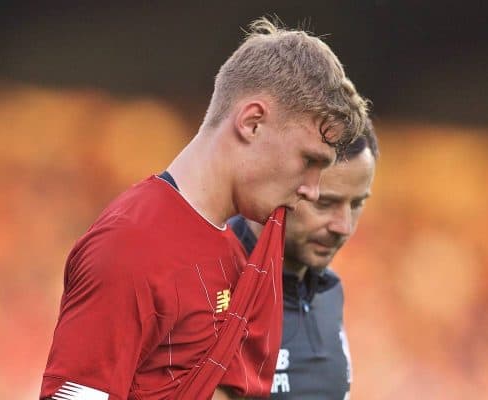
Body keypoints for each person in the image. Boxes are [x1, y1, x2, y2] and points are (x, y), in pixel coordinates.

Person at [40, 17, 368, 400]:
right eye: (309, 161)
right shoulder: (132, 243)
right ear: (252, 122)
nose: (312, 190)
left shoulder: (233, 250)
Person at [229, 120, 378, 400]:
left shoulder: (329, 291)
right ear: (273, 184)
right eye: (324, 203)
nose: (343, 226)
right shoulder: (207, 286)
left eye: (357, 204)